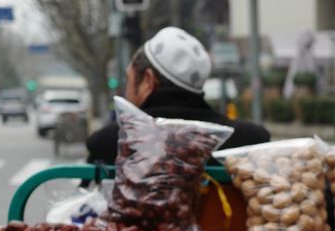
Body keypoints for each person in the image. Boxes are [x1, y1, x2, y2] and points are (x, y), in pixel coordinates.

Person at [85, 26, 270, 165]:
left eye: (129, 80)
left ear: (148, 80)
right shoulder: (250, 142)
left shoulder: (113, 142)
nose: (126, 92)